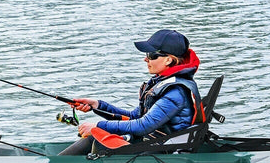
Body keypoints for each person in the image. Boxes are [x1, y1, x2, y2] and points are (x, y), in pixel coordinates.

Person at [60, 29, 204, 155]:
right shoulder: (162, 83)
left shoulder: (175, 92)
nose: (145, 59)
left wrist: (97, 127)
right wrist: (98, 105)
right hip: (152, 142)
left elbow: (142, 126)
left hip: (163, 150)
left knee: (97, 139)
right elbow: (134, 116)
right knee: (97, 137)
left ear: (168, 60)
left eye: (151, 55)